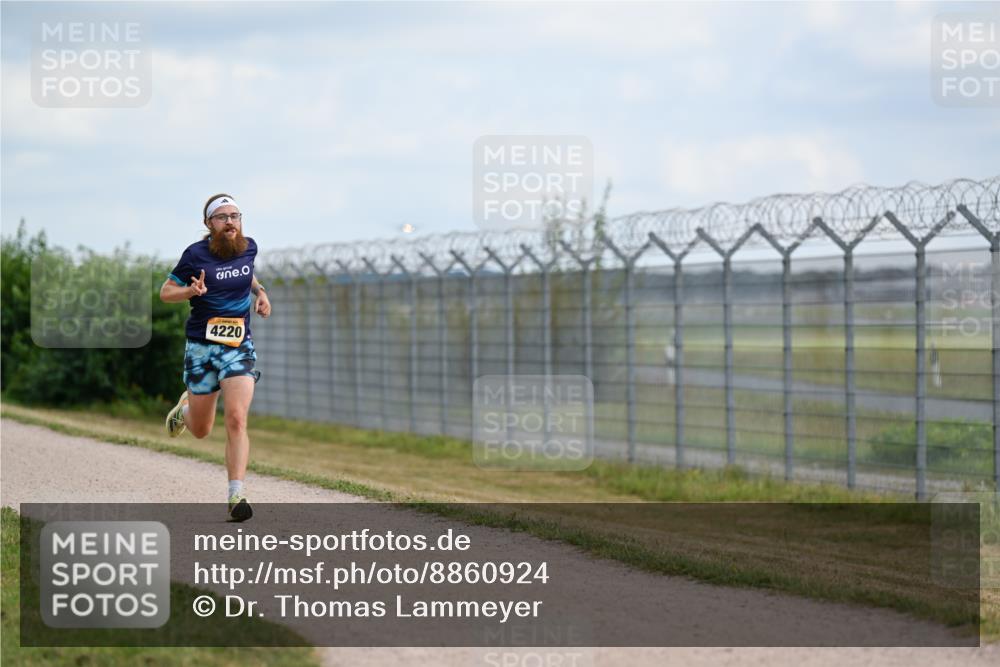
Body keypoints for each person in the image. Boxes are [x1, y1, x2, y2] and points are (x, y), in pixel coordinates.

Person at [159, 194, 271, 521]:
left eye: (235, 216)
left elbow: (247, 273)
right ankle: (184, 410)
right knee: (201, 430)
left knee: (236, 417)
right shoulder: (194, 255)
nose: (231, 222)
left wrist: (261, 293)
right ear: (209, 224)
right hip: (201, 347)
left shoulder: (248, 246)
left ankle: (236, 495)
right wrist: (190, 292)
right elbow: (166, 292)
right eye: (222, 217)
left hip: (238, 346)